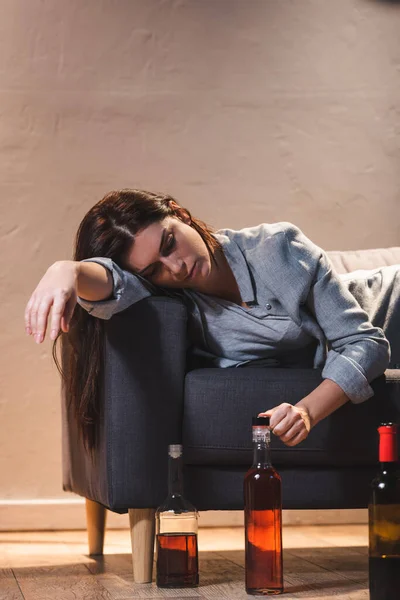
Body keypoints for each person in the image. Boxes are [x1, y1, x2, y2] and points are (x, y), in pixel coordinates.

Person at [24, 189, 399, 455]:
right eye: (155, 269)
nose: (177, 267)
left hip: (388, 305)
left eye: (169, 242)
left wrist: (305, 410)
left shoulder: (277, 247)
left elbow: (365, 343)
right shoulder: (173, 300)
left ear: (179, 213)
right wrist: (68, 271)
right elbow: (111, 284)